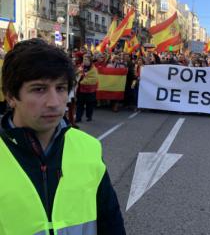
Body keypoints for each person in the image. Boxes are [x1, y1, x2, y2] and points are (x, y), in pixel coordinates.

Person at [0, 39, 126, 234]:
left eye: (60, 88)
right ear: (10, 96)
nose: (54, 102)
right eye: (39, 89)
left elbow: (110, 220)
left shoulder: (88, 147)